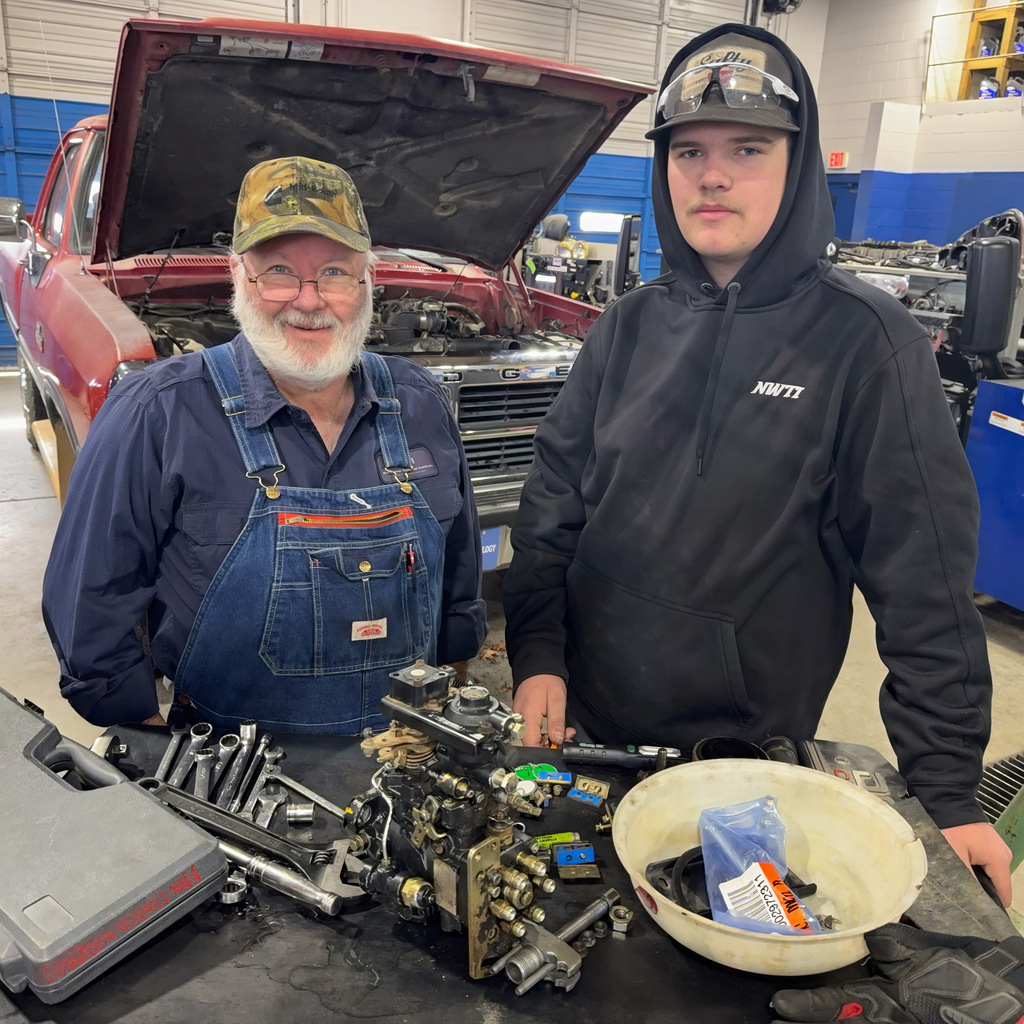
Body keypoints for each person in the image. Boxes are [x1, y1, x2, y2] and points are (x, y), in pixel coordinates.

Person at [502, 24, 1013, 903]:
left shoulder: (866, 343)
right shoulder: (626, 326)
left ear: (800, 162)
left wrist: (949, 793)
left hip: (742, 759)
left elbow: (923, 583)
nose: (713, 173)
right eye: (689, 150)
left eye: (748, 147)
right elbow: (551, 512)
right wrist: (536, 654)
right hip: (582, 724)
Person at [42, 155, 486, 734]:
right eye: (278, 270)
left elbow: (459, 579)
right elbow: (90, 607)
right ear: (238, 278)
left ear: (366, 282)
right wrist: (152, 742)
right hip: (228, 771)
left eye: (333, 272)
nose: (308, 299)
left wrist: (442, 714)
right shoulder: (157, 412)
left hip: (406, 755)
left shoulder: (421, 401)